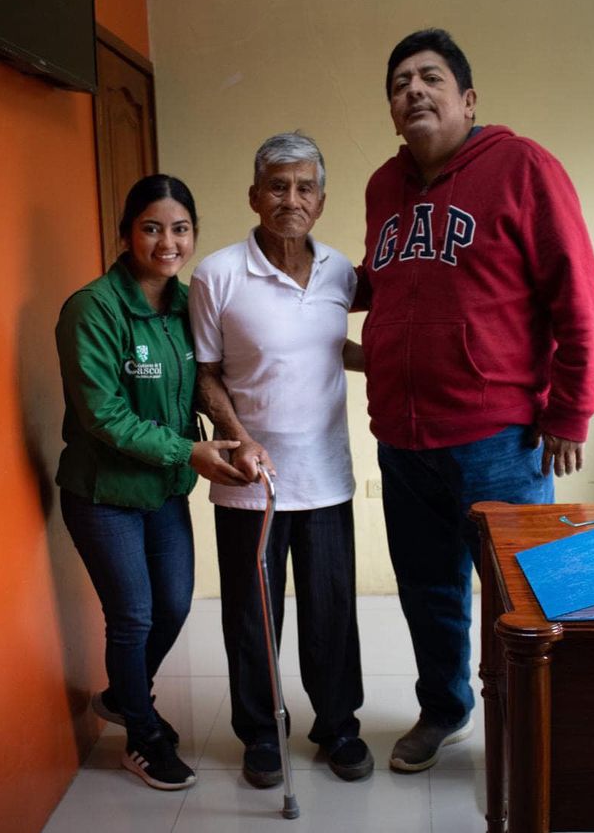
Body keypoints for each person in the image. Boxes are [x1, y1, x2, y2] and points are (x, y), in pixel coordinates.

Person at [354, 29, 594, 773]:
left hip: (499, 438)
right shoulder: (382, 186)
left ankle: (532, 722)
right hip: (402, 440)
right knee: (427, 589)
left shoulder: (523, 166)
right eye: (400, 83)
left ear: (467, 99)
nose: (413, 90)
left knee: (518, 595)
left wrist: (570, 411)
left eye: (430, 77)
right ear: (392, 111)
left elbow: (578, 294)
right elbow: (382, 282)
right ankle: (445, 710)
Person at [188, 132, 373, 787]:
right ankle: (261, 735)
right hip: (251, 482)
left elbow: (325, 345)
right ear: (254, 195)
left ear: (321, 200)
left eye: (304, 187)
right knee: (251, 616)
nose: (291, 199)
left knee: (332, 610)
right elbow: (205, 373)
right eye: (278, 186)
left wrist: (385, 361)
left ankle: (338, 726)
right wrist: (239, 436)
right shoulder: (216, 274)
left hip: (326, 478)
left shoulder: (341, 272)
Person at [55, 175, 241, 790]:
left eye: (180, 229)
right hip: (103, 493)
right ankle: (141, 736)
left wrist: (237, 434)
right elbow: (103, 415)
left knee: (174, 604)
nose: (168, 242)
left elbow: (209, 380)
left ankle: (123, 696)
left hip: (162, 488)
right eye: (152, 228)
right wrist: (188, 451)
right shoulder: (92, 308)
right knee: (133, 617)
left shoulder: (189, 304)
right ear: (126, 234)